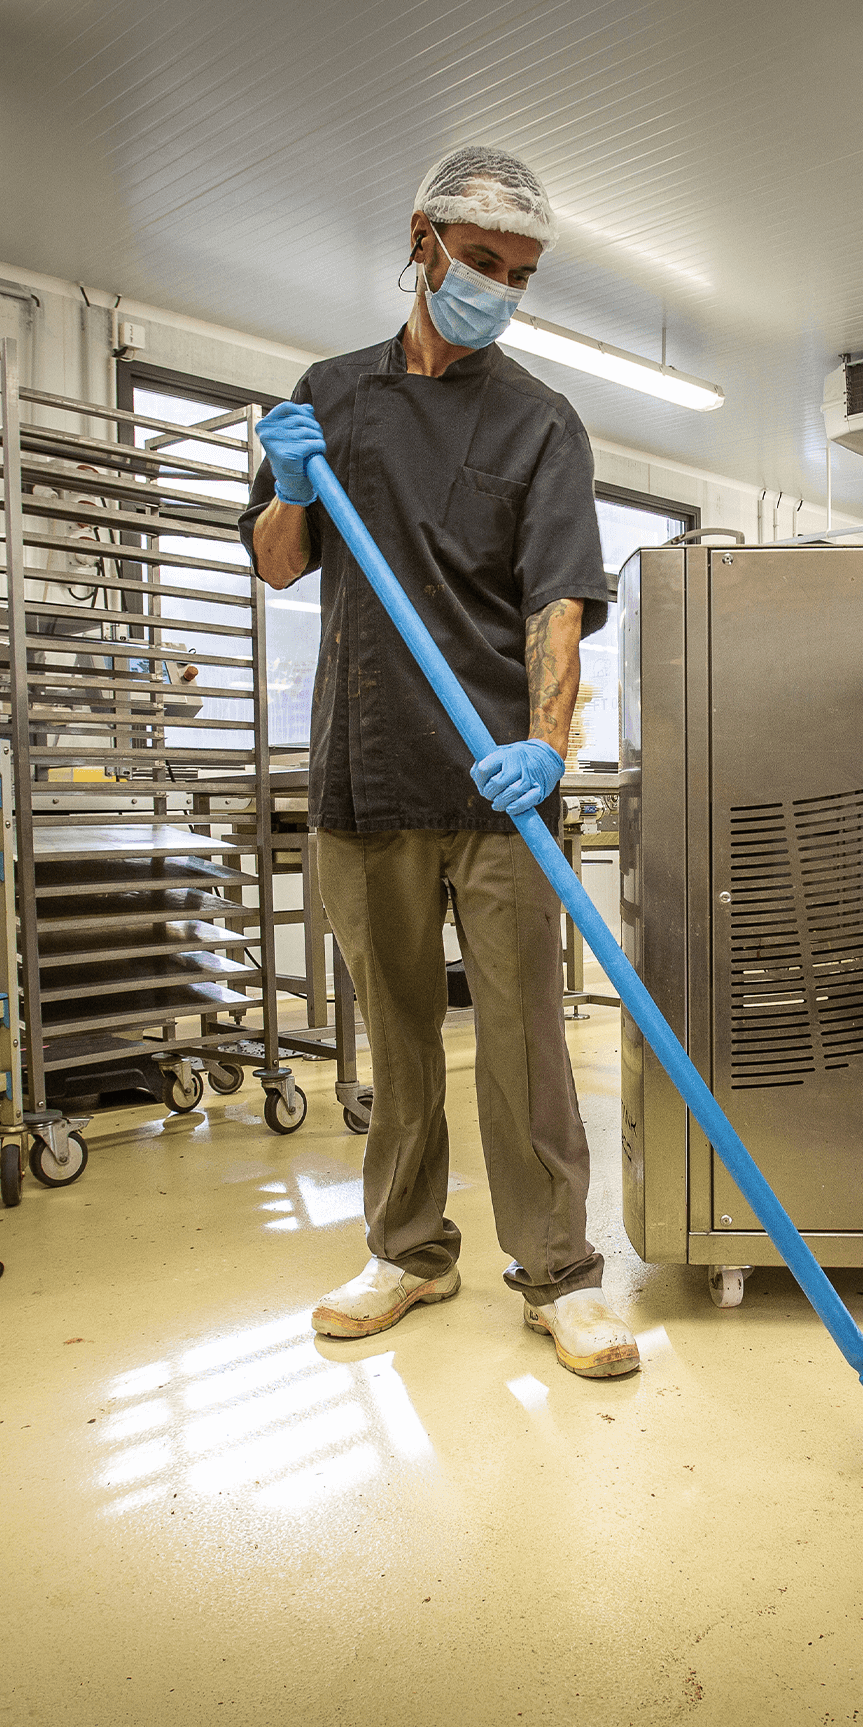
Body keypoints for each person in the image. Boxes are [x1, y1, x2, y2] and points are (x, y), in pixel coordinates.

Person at [242, 145, 640, 1381]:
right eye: (481, 263)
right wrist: (292, 483)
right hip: (364, 772)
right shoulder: (334, 393)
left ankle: (561, 1272)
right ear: (423, 242)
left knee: (524, 1034)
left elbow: (558, 604)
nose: (499, 289)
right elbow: (276, 563)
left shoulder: (539, 422)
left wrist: (546, 747)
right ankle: (408, 1250)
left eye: (519, 275)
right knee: (399, 1035)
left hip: (493, 782)